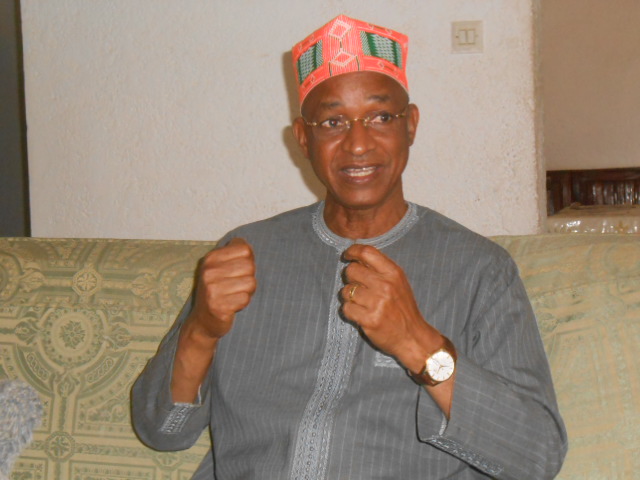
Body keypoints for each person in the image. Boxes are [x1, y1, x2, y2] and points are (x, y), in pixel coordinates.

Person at [132, 14, 567, 479]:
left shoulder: (480, 270)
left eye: (381, 117)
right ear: (304, 138)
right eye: (333, 122)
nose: (358, 144)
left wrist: (417, 343)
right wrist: (201, 330)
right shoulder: (245, 254)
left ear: (411, 125)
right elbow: (162, 430)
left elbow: (535, 457)